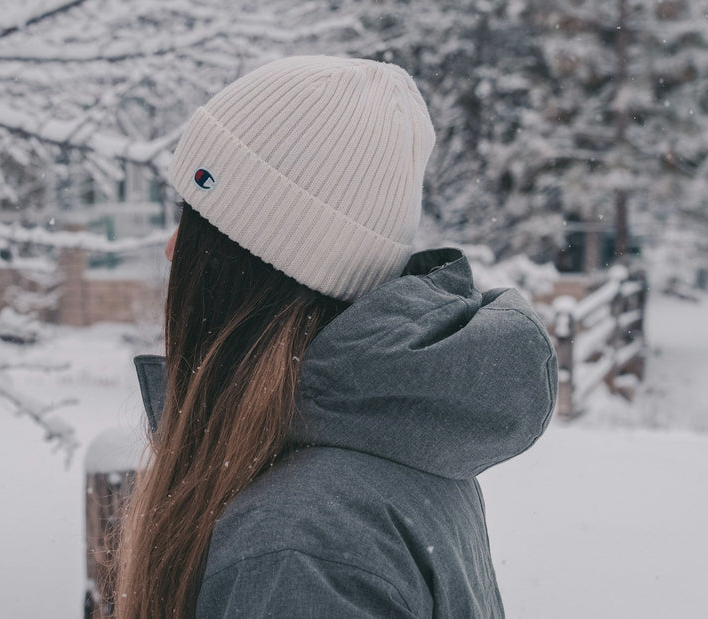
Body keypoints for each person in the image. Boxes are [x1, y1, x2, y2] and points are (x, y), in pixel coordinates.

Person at [116, 56, 557, 619]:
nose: (173, 248)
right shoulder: (387, 449)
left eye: (196, 219)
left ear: (245, 267)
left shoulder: (296, 548)